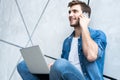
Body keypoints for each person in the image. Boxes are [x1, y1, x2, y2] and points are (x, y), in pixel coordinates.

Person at [17, 0, 107, 80]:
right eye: (69, 12)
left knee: (60, 64)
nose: (70, 15)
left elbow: (91, 56)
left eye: (75, 11)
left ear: (85, 15)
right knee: (23, 65)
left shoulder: (98, 35)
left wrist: (84, 27)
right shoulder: (67, 41)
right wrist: (53, 67)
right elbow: (65, 67)